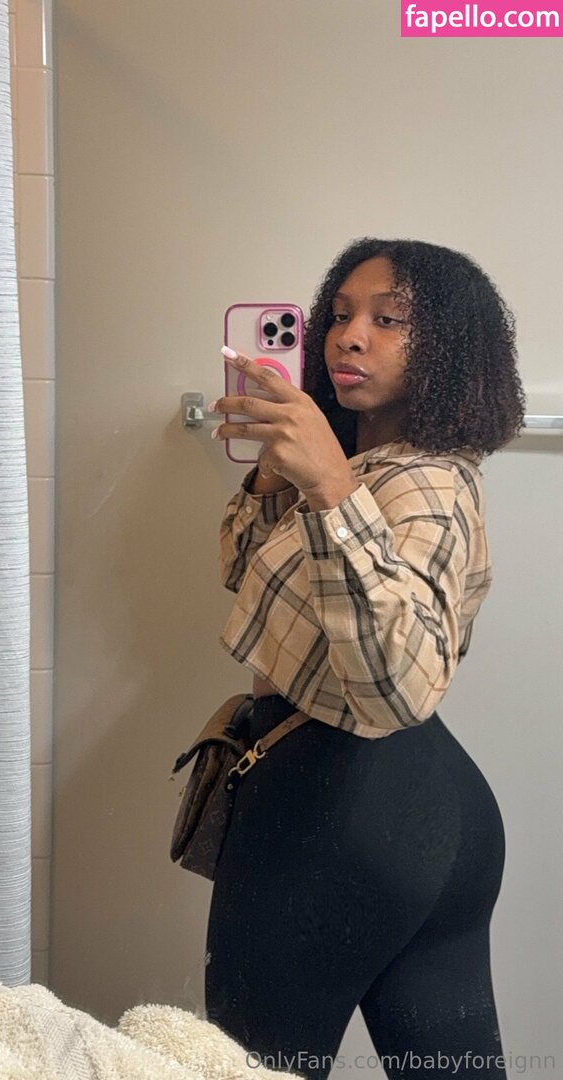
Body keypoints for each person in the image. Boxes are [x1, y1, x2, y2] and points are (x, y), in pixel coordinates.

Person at [204, 238, 525, 1080]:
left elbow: (397, 690)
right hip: (413, 807)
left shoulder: (428, 485)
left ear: (448, 347)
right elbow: (239, 571)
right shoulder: (350, 461)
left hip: (339, 809)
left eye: (390, 321)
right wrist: (283, 473)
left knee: (251, 1068)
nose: (350, 336)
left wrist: (331, 493)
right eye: (341, 315)